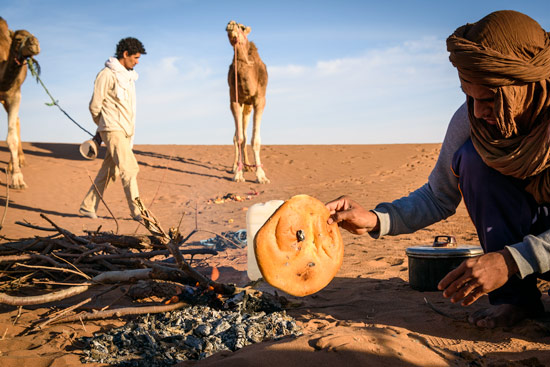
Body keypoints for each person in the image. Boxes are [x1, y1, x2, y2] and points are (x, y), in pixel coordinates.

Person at [326, 10, 550, 329]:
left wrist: (512, 260)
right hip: (526, 250)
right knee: (473, 159)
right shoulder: (472, 118)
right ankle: (516, 300)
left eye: (488, 99)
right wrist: (376, 219)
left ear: (525, 85)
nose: (477, 110)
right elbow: (437, 196)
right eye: (468, 97)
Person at [79, 37, 146, 221]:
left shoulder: (129, 77)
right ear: (125, 54)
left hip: (125, 132)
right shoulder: (106, 74)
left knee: (109, 171)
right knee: (130, 169)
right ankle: (139, 212)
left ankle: (88, 206)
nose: (138, 62)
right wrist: (103, 127)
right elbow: (94, 105)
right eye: (136, 57)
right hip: (112, 129)